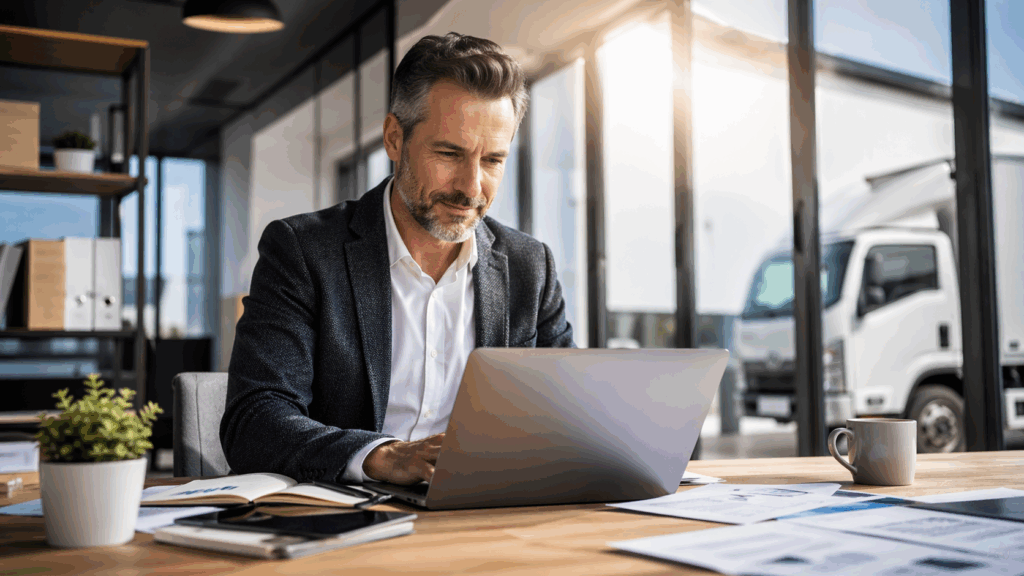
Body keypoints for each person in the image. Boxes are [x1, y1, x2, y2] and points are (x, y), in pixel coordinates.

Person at [220, 32, 575, 487]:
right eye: (449, 153)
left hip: (481, 516)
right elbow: (254, 419)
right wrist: (382, 457)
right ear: (394, 138)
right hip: (343, 517)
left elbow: (566, 418)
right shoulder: (303, 251)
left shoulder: (531, 267)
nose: (471, 187)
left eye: (492, 160)